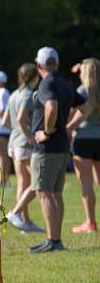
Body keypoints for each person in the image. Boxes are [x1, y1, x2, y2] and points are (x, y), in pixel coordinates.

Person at [27, 46, 92, 253]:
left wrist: (47, 131)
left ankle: (53, 240)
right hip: (63, 145)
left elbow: (51, 106)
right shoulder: (64, 83)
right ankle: (56, 240)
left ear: (39, 65)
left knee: (44, 192)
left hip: (47, 147)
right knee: (55, 192)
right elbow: (86, 107)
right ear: (56, 63)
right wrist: (68, 127)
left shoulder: (47, 83)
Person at [2, 63, 44, 233]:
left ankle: (25, 223)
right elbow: (20, 119)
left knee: (23, 181)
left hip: (13, 143)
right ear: (35, 77)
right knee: (35, 182)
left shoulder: (13, 94)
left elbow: (6, 121)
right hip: (25, 144)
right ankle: (18, 216)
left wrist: (19, 132)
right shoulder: (30, 95)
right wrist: (30, 137)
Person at [68, 57, 100, 233]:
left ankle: (90, 222)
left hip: (83, 140)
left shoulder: (82, 91)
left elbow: (71, 112)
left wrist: (67, 128)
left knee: (86, 183)